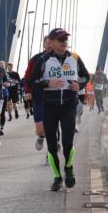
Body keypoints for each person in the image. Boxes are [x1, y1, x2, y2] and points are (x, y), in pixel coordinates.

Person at [28, 28, 89, 191]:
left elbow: (86, 76)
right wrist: (47, 83)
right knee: (52, 146)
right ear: (52, 42)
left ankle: (69, 169)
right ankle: (57, 178)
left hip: (69, 104)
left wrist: (80, 85)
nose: (64, 43)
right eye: (61, 40)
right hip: (50, 106)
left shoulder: (74, 58)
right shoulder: (44, 60)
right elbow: (32, 82)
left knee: (67, 143)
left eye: (66, 40)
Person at [23, 35, 53, 151]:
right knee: (40, 129)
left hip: (54, 98)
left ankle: (50, 153)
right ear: (44, 44)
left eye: (52, 42)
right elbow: (27, 78)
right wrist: (28, 91)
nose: (50, 45)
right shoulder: (35, 59)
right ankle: (41, 136)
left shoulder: (62, 58)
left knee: (52, 127)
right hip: (39, 97)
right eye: (48, 42)